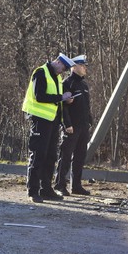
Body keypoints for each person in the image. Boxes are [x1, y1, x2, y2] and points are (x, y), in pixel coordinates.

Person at [22, 53, 75, 203]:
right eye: (63, 67)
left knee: (51, 156)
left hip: (52, 121)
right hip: (39, 119)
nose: (62, 71)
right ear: (57, 61)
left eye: (65, 69)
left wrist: (64, 102)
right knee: (38, 155)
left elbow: (56, 100)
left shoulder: (57, 77)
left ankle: (46, 189)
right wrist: (61, 97)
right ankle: (33, 190)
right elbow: (39, 96)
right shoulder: (41, 72)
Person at [54, 55, 93, 196]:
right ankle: (60, 185)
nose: (85, 68)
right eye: (83, 65)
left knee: (79, 157)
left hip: (83, 126)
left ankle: (76, 185)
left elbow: (86, 106)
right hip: (71, 126)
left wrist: (89, 121)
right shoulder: (67, 83)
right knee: (65, 156)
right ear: (74, 66)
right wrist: (67, 124)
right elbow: (63, 107)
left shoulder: (83, 85)